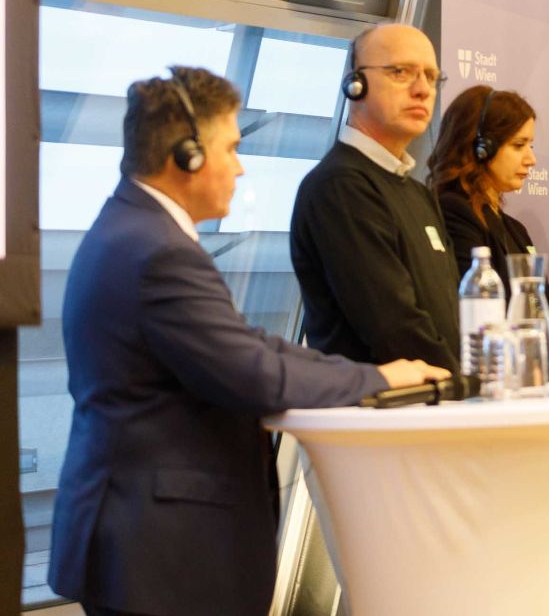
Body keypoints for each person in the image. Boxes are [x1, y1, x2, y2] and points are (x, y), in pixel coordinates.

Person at [48, 67, 447, 616]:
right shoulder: (157, 252)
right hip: (159, 554)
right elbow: (255, 374)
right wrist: (378, 377)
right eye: (231, 149)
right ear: (187, 155)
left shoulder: (133, 231)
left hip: (143, 540)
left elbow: (247, 345)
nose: (239, 167)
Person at [291, 23, 462, 373]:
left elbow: (448, 312)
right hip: (379, 404)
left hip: (440, 396)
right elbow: (392, 326)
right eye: (401, 72)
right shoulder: (340, 186)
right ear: (356, 85)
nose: (422, 90)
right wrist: (465, 386)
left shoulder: (417, 192)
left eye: (431, 77)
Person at [427, 84, 549, 366]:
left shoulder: (514, 228)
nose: (531, 160)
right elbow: (488, 313)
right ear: (480, 148)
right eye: (518, 145)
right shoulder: (453, 212)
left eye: (530, 146)